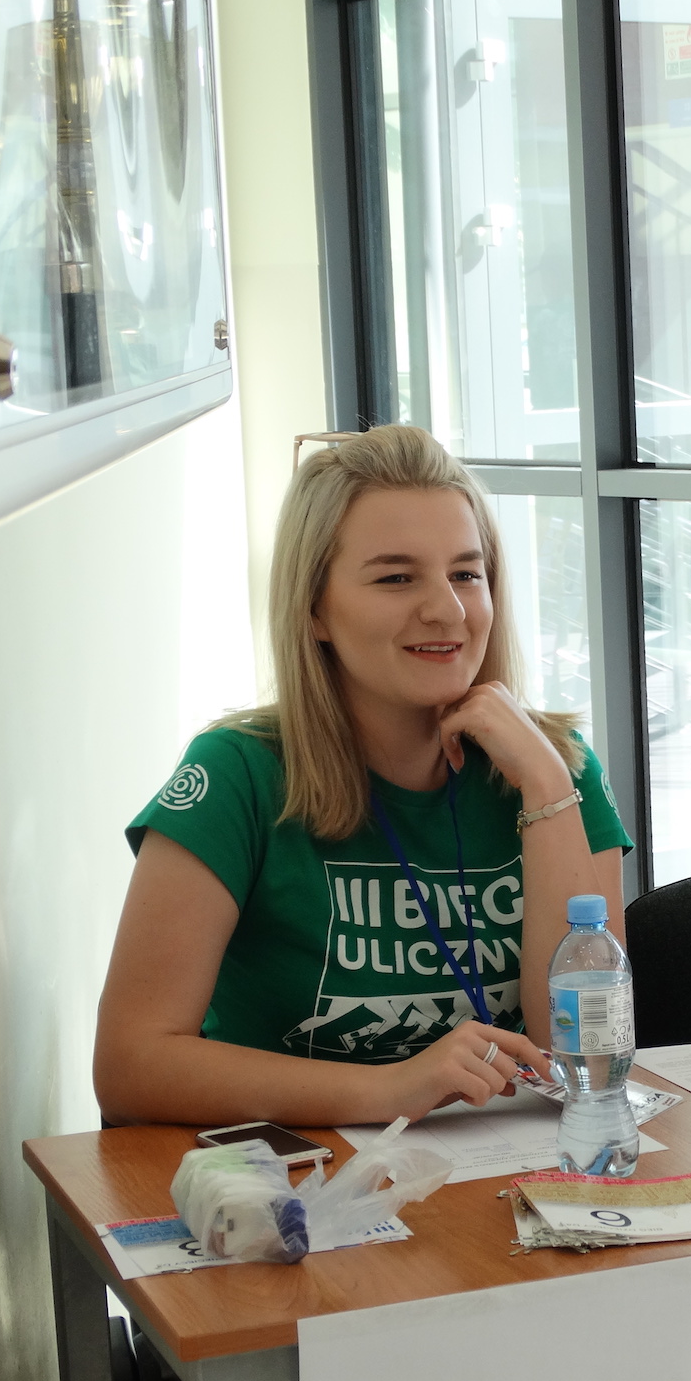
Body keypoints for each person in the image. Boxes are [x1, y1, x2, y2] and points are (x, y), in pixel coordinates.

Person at [94, 427, 631, 1127]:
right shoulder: (236, 773)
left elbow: (586, 1059)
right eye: (396, 578)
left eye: (466, 574)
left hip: (500, 1162)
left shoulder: (554, 767)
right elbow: (130, 1065)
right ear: (315, 609)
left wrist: (546, 788)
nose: (446, 610)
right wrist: (389, 1090)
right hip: (301, 1170)